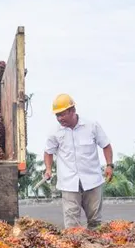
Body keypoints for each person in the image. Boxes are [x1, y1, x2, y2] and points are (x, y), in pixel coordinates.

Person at [44, 93, 114, 229]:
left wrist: (109, 165)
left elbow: (106, 145)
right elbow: (48, 152)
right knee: (72, 226)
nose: (59, 118)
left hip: (92, 181)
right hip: (69, 184)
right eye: (57, 115)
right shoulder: (55, 132)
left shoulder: (92, 126)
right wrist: (48, 168)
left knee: (95, 223)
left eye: (62, 114)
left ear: (72, 111)